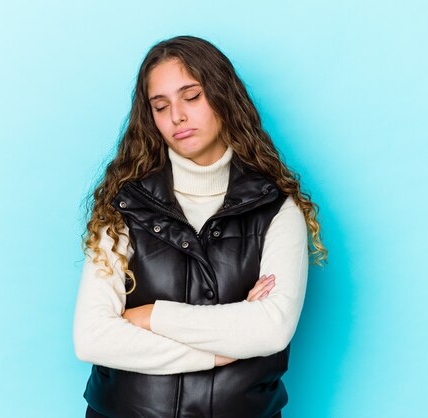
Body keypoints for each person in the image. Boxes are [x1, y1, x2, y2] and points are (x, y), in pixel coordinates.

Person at [73, 35, 327, 418]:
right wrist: (219, 351)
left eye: (191, 97)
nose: (177, 116)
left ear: (223, 96)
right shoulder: (123, 207)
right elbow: (92, 338)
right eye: (161, 106)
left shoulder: (276, 208)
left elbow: (271, 330)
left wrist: (150, 316)